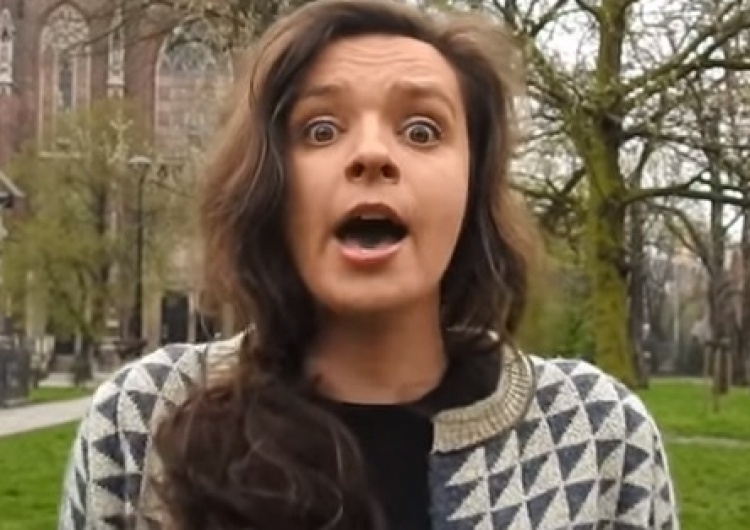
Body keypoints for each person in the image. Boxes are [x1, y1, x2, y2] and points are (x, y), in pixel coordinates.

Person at [58, 1, 679, 529]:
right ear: (268, 185)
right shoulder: (142, 419)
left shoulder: (596, 434)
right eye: (321, 130)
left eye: (422, 130)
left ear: (473, 188)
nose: (373, 154)